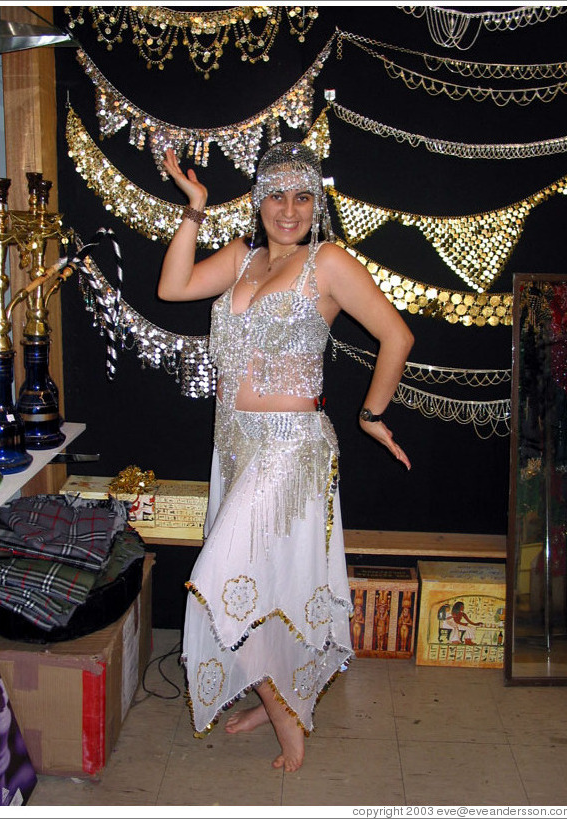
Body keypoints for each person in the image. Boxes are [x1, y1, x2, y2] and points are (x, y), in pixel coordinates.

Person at [158, 141, 414, 772]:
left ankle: (283, 712)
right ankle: (278, 695)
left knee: (219, 581)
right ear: (258, 199)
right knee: (262, 586)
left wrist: (371, 414)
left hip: (291, 448)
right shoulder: (243, 260)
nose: (289, 209)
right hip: (236, 446)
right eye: (276, 194)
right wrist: (194, 207)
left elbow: (397, 334)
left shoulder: (325, 262)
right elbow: (173, 286)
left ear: (317, 204)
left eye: (303, 196)